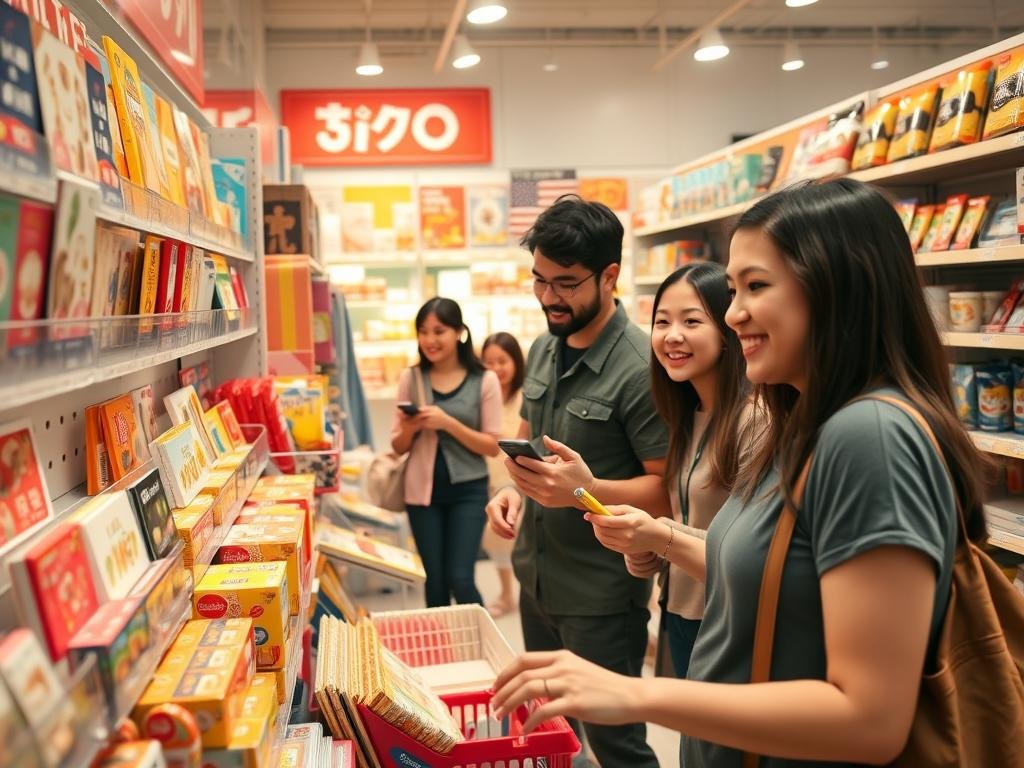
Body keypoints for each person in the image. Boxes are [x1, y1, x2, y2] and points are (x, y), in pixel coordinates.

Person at [491, 178, 983, 767]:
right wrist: (660, 537)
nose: (734, 314)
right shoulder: (800, 421)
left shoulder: (869, 436)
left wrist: (636, 692)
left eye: (756, 286)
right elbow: (771, 567)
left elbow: (870, 718)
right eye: (731, 289)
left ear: (837, 288)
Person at [485, 195, 669, 768]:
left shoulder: (641, 366)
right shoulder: (542, 347)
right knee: (555, 731)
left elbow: (665, 490)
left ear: (609, 275)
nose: (548, 297)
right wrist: (512, 488)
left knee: (616, 743)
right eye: (539, 280)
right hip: (538, 582)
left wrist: (583, 493)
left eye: (565, 283)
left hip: (600, 595)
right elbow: (528, 435)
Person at [555, 261, 753, 679]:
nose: (672, 335)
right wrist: (640, 549)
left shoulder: (754, 421)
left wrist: (659, 535)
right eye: (662, 321)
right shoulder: (686, 415)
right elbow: (685, 525)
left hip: (730, 623)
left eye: (692, 321)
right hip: (678, 613)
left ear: (728, 329)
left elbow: (752, 555)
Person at [391, 297, 502, 608]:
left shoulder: (485, 379)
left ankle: (482, 647)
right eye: (423, 332)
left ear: (459, 332)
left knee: (461, 578)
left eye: (439, 331)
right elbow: (397, 445)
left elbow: (492, 446)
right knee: (435, 581)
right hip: (422, 495)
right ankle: (440, 653)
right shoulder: (410, 378)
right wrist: (413, 427)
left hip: (469, 491)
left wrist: (447, 422)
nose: (430, 340)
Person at [481, 332, 528, 618]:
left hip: (519, 483)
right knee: (496, 538)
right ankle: (507, 594)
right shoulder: (484, 398)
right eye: (488, 362)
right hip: (491, 482)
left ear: (516, 362)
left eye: (502, 361)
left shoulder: (526, 398)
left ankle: (519, 595)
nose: (496, 368)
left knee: (514, 537)